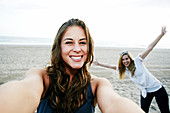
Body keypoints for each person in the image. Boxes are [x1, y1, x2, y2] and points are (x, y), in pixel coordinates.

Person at [0, 18, 144, 113]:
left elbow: (114, 103)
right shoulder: (41, 77)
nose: (77, 49)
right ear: (59, 47)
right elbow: (25, 90)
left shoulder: (97, 84)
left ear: (89, 47)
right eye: (69, 42)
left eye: (82, 42)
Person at [93, 26, 169, 113]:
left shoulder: (138, 61)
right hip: (145, 92)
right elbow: (112, 66)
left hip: (158, 88)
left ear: (130, 59)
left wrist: (161, 34)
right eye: (123, 59)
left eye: (126, 58)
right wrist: (99, 64)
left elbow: (149, 48)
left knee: (165, 111)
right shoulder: (125, 69)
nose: (125, 61)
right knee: (143, 111)